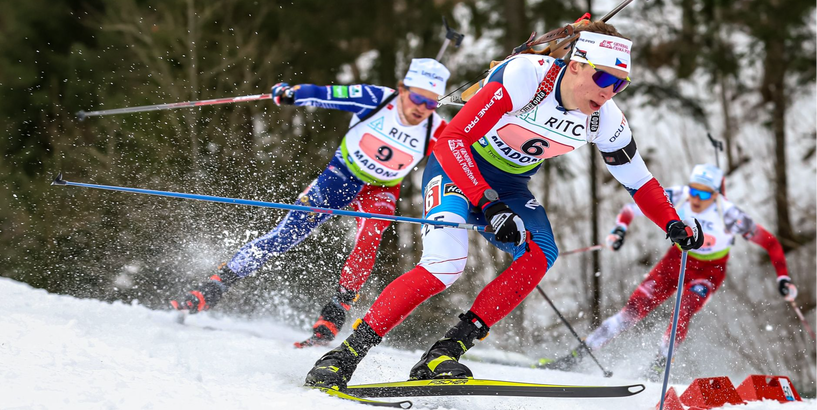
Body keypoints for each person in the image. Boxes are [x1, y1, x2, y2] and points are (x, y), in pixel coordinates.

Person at [304, 21, 705, 390]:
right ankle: (344, 354)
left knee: (540, 253)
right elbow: (452, 141)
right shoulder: (526, 76)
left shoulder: (605, 119)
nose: (609, 92)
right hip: (457, 171)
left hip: (510, 185)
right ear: (577, 66)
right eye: (603, 78)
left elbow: (638, 180)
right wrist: (486, 202)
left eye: (620, 85)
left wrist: (673, 223)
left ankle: (445, 351)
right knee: (445, 263)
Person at [169, 58, 450, 348]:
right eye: (417, 98)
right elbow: (326, 94)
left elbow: (461, 151)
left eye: (430, 104)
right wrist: (291, 93)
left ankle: (336, 310)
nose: (421, 109)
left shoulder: (436, 129)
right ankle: (217, 283)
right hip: (341, 176)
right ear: (403, 89)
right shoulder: (376, 99)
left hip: (380, 189)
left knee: (370, 236)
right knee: (286, 235)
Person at [540, 163, 798, 380]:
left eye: (705, 195)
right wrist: (619, 230)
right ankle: (578, 354)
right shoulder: (679, 195)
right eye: (695, 191)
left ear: (717, 195)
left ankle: (657, 368)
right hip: (676, 261)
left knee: (684, 308)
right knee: (633, 310)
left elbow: (770, 242)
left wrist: (784, 277)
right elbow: (632, 208)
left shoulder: (730, 215)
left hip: (708, 271)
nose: (696, 199)